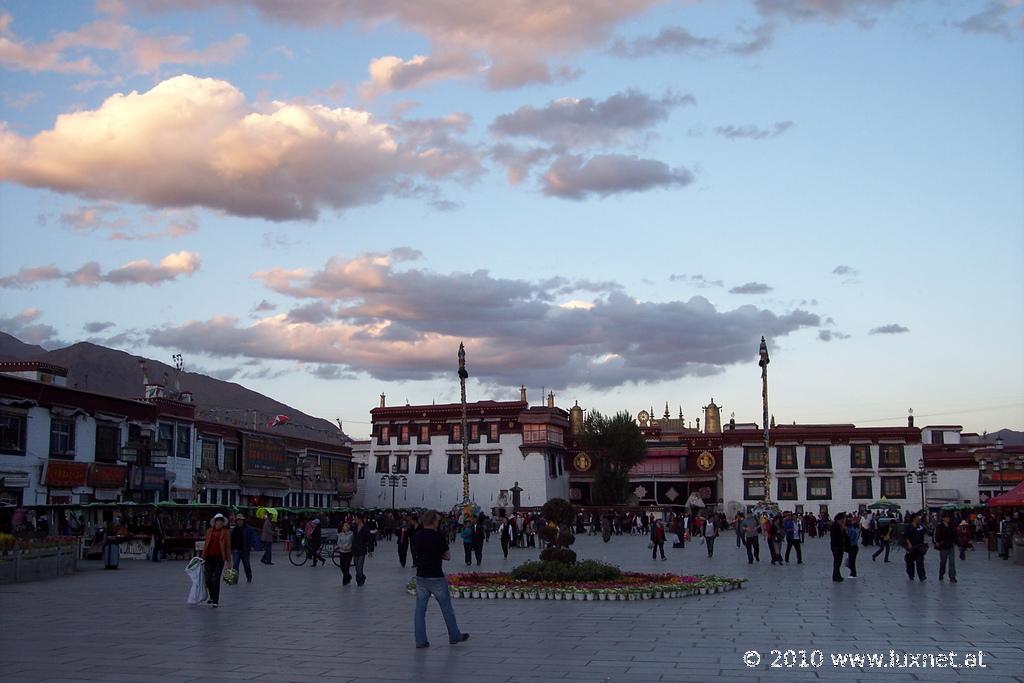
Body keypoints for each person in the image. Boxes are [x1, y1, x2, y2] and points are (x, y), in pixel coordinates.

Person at [410, 510, 470, 649]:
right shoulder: (439, 536)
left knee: (420, 610)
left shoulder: (417, 535)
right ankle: (454, 635)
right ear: (433, 521)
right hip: (436, 576)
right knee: (446, 608)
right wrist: (437, 554)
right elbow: (447, 556)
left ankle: (420, 640)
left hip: (421, 576)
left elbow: (416, 552)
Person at [202, 513, 232, 607]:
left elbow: (227, 546)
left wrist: (228, 560)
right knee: (207, 579)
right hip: (209, 558)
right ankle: (211, 596)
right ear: (215, 522)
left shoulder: (225, 532)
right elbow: (206, 545)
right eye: (218, 521)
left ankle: (215, 600)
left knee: (216, 579)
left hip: (219, 558)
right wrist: (202, 558)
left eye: (221, 521)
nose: (219, 523)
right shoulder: (209, 531)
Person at [935, 512, 958, 583]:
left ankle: (952, 576)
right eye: (947, 518)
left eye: (948, 517)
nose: (948, 519)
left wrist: (956, 541)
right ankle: (941, 574)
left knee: (952, 562)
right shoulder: (940, 526)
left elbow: (954, 534)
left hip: (950, 546)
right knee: (943, 562)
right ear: (943, 519)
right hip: (943, 547)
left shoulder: (951, 526)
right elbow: (937, 536)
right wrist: (938, 542)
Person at [230, 514, 254, 583]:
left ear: (243, 521)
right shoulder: (234, 530)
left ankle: (249, 577)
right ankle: (233, 579)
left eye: (241, 520)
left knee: (246, 565)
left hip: (245, 550)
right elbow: (231, 540)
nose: (239, 522)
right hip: (236, 550)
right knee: (235, 565)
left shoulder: (248, 529)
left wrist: (251, 546)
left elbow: (251, 538)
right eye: (238, 520)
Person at [904, 513, 927, 581]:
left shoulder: (920, 527)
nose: (919, 518)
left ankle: (922, 576)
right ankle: (911, 575)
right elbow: (906, 536)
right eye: (917, 517)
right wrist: (909, 543)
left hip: (919, 547)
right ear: (914, 518)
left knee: (920, 562)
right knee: (910, 562)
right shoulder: (908, 527)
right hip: (911, 547)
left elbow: (923, 534)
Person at [352, 513, 371, 586]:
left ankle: (359, 580)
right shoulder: (354, 527)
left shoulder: (366, 528)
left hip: (362, 549)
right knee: (356, 566)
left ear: (360, 519)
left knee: (360, 565)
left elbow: (369, 539)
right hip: (355, 549)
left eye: (355, 518)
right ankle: (362, 576)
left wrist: (370, 549)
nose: (355, 520)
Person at [830, 513, 849, 582]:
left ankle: (836, 575)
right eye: (843, 519)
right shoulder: (835, 526)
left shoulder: (840, 526)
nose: (844, 520)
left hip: (840, 546)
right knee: (837, 561)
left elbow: (844, 536)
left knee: (838, 561)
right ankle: (836, 576)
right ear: (839, 519)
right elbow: (837, 538)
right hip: (836, 546)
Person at [337, 521, 354, 586]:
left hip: (348, 552)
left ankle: (344, 581)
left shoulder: (351, 534)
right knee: (342, 566)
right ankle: (348, 576)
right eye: (344, 525)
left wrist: (349, 547)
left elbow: (352, 542)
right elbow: (338, 542)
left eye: (347, 525)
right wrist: (342, 547)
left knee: (347, 566)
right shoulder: (340, 534)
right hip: (342, 551)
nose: (345, 527)